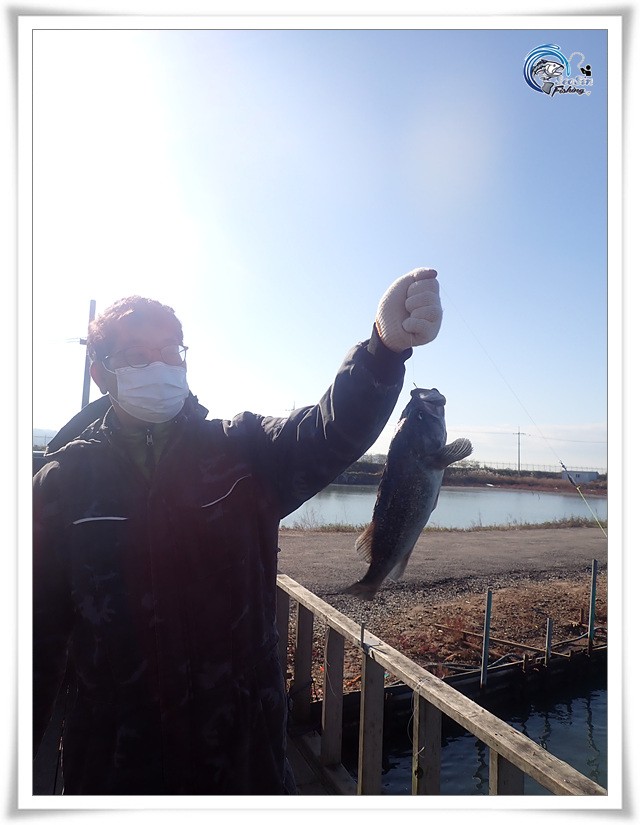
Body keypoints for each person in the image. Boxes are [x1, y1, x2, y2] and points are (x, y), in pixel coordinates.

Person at [32, 267, 443, 795]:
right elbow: (34, 642)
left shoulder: (242, 451)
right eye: (136, 355)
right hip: (115, 770)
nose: (159, 365)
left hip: (245, 762)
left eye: (171, 351)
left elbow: (327, 431)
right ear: (100, 372)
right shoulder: (62, 484)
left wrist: (383, 350)